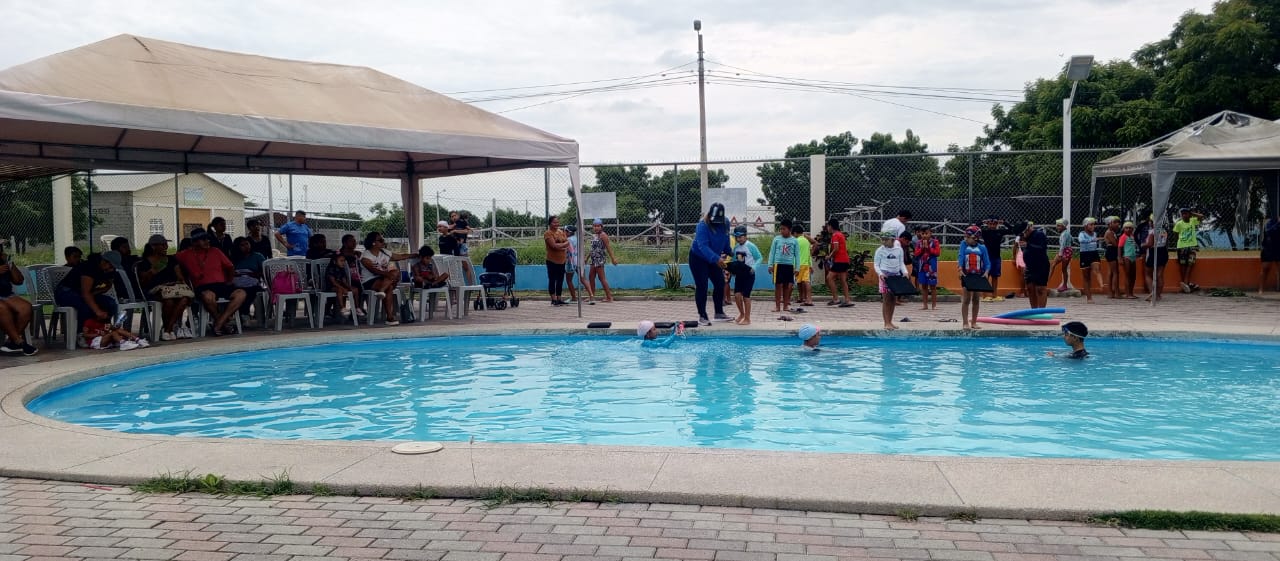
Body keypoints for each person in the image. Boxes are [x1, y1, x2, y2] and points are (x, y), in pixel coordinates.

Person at [176, 227, 246, 336]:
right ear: (195, 242)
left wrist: (229, 280)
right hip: (203, 287)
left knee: (241, 294)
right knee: (208, 296)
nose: (207, 241)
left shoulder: (215, 251)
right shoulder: (186, 254)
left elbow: (230, 267)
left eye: (207, 239)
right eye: (203, 239)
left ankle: (219, 323)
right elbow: (170, 261)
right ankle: (223, 324)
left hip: (221, 285)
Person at [138, 235, 193, 341]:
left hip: (172, 289)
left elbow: (180, 276)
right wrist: (152, 271)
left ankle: (168, 329)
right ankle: (168, 329)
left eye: (166, 244)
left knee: (184, 299)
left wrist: (177, 282)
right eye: (163, 245)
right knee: (169, 301)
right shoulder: (144, 262)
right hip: (155, 290)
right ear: (153, 247)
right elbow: (143, 282)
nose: (166, 247)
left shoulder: (171, 259)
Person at [55, 251, 120, 337]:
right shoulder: (90, 267)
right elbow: (85, 293)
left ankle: (103, 330)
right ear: (103, 261)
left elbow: (107, 286)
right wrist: (98, 311)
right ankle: (82, 334)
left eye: (113, 268)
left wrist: (94, 293)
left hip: (84, 292)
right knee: (86, 306)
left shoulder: (110, 271)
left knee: (110, 303)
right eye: (110, 266)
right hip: (66, 291)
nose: (111, 270)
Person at [688, 203, 733, 325]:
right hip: (698, 258)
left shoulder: (725, 223)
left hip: (714, 258)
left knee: (720, 283)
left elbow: (725, 239)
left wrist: (730, 251)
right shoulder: (702, 225)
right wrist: (716, 259)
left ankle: (719, 313)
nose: (716, 223)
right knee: (702, 285)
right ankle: (702, 316)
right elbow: (703, 246)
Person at [358, 231, 414, 325]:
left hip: (384, 279)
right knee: (390, 286)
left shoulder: (384, 252)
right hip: (369, 281)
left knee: (395, 273)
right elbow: (374, 270)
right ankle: (389, 317)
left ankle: (382, 291)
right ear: (373, 243)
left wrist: (414, 255)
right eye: (380, 240)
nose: (383, 241)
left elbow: (400, 256)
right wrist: (389, 275)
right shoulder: (366, 256)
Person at [0, 242, 38, 356]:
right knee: (2, 308)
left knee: (25, 307)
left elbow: (19, 280)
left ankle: (11, 342)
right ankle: (19, 341)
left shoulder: (5, 261)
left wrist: (10, 264)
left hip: (6, 294)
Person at [958, 226, 990, 330]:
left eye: (968, 237)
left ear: (975, 238)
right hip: (966, 275)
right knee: (966, 299)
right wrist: (960, 269)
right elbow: (961, 257)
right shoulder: (963, 245)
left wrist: (986, 272)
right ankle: (965, 322)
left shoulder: (982, 248)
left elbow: (987, 262)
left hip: (978, 275)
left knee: (976, 299)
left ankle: (974, 322)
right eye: (965, 237)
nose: (966, 239)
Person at [766, 218, 800, 315]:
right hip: (778, 265)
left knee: (787, 286)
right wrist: (770, 265)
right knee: (778, 285)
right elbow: (772, 253)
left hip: (789, 266)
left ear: (790, 229)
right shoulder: (776, 239)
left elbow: (797, 255)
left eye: (784, 229)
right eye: (780, 229)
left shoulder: (794, 241)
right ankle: (777, 306)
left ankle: (785, 306)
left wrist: (797, 268)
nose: (781, 231)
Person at [730, 225, 762, 325]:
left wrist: (754, 267)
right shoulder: (736, 248)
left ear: (745, 236)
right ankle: (741, 314)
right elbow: (734, 260)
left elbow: (759, 258)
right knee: (736, 295)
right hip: (739, 275)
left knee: (746, 296)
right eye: (736, 237)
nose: (738, 239)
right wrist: (732, 270)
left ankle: (747, 318)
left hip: (749, 274)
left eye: (740, 237)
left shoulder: (751, 246)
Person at [873, 230, 905, 330]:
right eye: (882, 239)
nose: (883, 242)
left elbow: (901, 263)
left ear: (892, 240)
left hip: (895, 276)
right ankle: (886, 322)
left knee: (893, 299)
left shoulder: (898, 250)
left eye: (886, 240)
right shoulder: (880, 250)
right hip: (885, 276)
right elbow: (876, 264)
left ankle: (890, 321)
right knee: (886, 299)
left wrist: (905, 272)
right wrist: (880, 274)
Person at [230, 237, 266, 319]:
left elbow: (265, 271)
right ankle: (241, 314)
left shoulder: (257, 256)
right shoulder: (234, 258)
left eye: (247, 244)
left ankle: (245, 313)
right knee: (238, 292)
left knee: (251, 291)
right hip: (237, 283)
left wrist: (255, 274)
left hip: (253, 282)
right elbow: (229, 272)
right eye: (242, 245)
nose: (246, 246)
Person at [979, 216, 1013, 302]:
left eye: (994, 223)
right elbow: (974, 228)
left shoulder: (999, 232)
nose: (992, 225)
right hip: (987, 257)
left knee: (995, 276)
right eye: (990, 223)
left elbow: (1012, 230)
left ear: (997, 224)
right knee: (986, 276)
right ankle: (985, 296)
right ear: (987, 224)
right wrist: (982, 222)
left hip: (996, 257)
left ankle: (994, 295)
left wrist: (1004, 222)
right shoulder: (985, 232)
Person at [586, 218, 619, 303]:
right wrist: (587, 258)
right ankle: (592, 296)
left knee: (602, 278)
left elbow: (608, 248)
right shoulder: (595, 235)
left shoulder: (603, 235)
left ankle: (609, 297)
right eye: (595, 226)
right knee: (591, 277)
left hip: (599, 259)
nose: (596, 228)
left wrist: (613, 258)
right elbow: (592, 249)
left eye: (598, 226)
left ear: (601, 226)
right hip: (593, 259)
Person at [1020, 221, 1051, 309]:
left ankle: (1041, 311)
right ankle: (1033, 310)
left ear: (1028, 229)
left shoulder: (1039, 234)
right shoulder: (1024, 237)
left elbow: (1042, 248)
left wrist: (1028, 245)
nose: (1023, 235)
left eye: (1024, 233)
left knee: (1040, 288)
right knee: (1030, 288)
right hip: (1029, 265)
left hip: (1041, 264)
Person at [823, 218, 853, 307]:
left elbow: (836, 249)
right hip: (845, 260)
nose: (827, 228)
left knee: (829, 278)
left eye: (828, 226)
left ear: (831, 226)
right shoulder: (840, 234)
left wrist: (829, 256)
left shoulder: (835, 235)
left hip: (839, 260)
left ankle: (836, 299)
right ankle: (847, 300)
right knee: (843, 280)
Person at [1173, 207, 1204, 292]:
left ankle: (1185, 283)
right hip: (1182, 247)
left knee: (1190, 264)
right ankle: (1186, 284)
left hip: (1192, 246)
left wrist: (1192, 214)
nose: (1184, 215)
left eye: (1186, 213)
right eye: (1182, 214)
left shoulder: (1192, 221)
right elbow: (1175, 234)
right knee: (1182, 265)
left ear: (1189, 215)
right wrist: (1178, 245)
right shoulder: (1179, 224)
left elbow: (1201, 217)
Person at [1142, 216, 1171, 302]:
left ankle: (1152, 293)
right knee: (1159, 275)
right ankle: (1158, 294)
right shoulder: (1164, 231)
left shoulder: (1152, 231)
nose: (1149, 223)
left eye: (1150, 221)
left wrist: (1142, 245)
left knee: (1148, 274)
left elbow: (1150, 244)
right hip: (1163, 251)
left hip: (1153, 252)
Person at [83, 314, 148, 351]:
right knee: (113, 333)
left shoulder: (105, 321)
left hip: (104, 338)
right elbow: (85, 335)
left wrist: (112, 327)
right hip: (95, 341)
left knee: (117, 330)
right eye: (104, 313)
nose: (105, 315)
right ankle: (123, 344)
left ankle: (138, 340)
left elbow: (110, 331)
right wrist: (98, 334)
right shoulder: (89, 321)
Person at [543, 216, 570, 306]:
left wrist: (561, 245)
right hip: (552, 261)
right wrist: (563, 245)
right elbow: (553, 246)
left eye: (557, 222)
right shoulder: (548, 233)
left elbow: (567, 242)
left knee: (560, 280)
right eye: (554, 222)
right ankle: (553, 299)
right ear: (550, 223)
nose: (556, 224)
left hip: (562, 260)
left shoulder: (561, 232)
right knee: (552, 279)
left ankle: (559, 298)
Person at [914, 224, 940, 310]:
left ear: (930, 233)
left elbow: (937, 253)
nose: (924, 235)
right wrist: (922, 249)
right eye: (923, 234)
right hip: (922, 266)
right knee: (924, 286)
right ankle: (925, 305)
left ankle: (934, 305)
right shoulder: (919, 243)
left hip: (931, 267)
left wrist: (928, 248)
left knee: (933, 286)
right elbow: (916, 254)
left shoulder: (935, 242)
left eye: (926, 233)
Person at [338, 235, 365, 317]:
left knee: (363, 284)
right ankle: (355, 309)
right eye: (351, 241)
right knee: (357, 285)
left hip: (357, 277)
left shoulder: (357, 254)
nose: (354, 243)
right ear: (344, 243)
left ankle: (358, 308)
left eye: (355, 241)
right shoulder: (340, 254)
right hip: (344, 279)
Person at [1077, 217, 1101, 304]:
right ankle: (1089, 297)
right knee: (1086, 277)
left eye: (1094, 224)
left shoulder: (1094, 233)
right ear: (1085, 225)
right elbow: (1081, 240)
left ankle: (1101, 284)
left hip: (1094, 253)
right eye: (1091, 224)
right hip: (1085, 254)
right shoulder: (1082, 234)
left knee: (1097, 269)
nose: (1093, 226)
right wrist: (1092, 240)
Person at [325, 252, 355, 318]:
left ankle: (356, 309)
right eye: (341, 261)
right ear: (334, 261)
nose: (343, 263)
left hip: (340, 286)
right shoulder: (331, 269)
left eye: (344, 261)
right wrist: (343, 288)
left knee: (355, 289)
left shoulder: (342, 269)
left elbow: (344, 282)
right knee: (339, 289)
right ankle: (342, 307)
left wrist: (349, 287)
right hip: (331, 287)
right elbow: (334, 283)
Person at [792, 222, 814, 307]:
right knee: (806, 281)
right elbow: (809, 254)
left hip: (798, 265)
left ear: (795, 233)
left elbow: (794, 255)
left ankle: (801, 297)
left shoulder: (795, 241)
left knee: (799, 282)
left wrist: (794, 266)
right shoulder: (807, 241)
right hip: (806, 264)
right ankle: (808, 299)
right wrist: (810, 265)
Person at [1051, 219, 1074, 292]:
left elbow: (1063, 245)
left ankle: (1064, 285)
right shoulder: (1067, 233)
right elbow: (1072, 240)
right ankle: (1064, 285)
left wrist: (1060, 254)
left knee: (1059, 267)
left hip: (1065, 252)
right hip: (1067, 251)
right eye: (1057, 225)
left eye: (1059, 226)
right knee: (1057, 267)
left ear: (1064, 226)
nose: (1057, 227)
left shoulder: (1064, 234)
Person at [1118, 221, 1139, 299]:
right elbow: (1119, 248)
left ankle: (1131, 292)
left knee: (1133, 276)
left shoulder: (1132, 236)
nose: (1128, 229)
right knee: (1128, 276)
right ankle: (1128, 293)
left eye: (1130, 228)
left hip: (1133, 257)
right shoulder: (1123, 237)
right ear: (1124, 229)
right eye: (1126, 228)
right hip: (1127, 257)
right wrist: (1120, 258)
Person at [1102, 216, 1122, 299]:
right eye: (1115, 223)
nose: (1117, 224)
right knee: (1115, 272)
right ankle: (1116, 292)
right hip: (1111, 252)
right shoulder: (1109, 233)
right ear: (1109, 224)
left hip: (1111, 251)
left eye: (1118, 222)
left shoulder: (1112, 232)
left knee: (1111, 272)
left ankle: (1111, 292)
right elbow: (1115, 244)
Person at [564, 225, 585, 304]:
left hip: (571, 262)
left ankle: (574, 297)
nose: (564, 232)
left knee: (569, 280)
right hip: (578, 260)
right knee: (583, 279)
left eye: (565, 231)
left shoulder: (568, 240)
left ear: (569, 232)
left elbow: (569, 251)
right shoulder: (577, 239)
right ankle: (591, 296)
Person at [1261, 214, 1280, 295]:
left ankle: (1278, 288)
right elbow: (1269, 231)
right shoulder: (1269, 222)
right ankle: (1261, 289)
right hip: (1268, 248)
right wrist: (1278, 223)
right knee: (1265, 269)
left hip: (1278, 248)